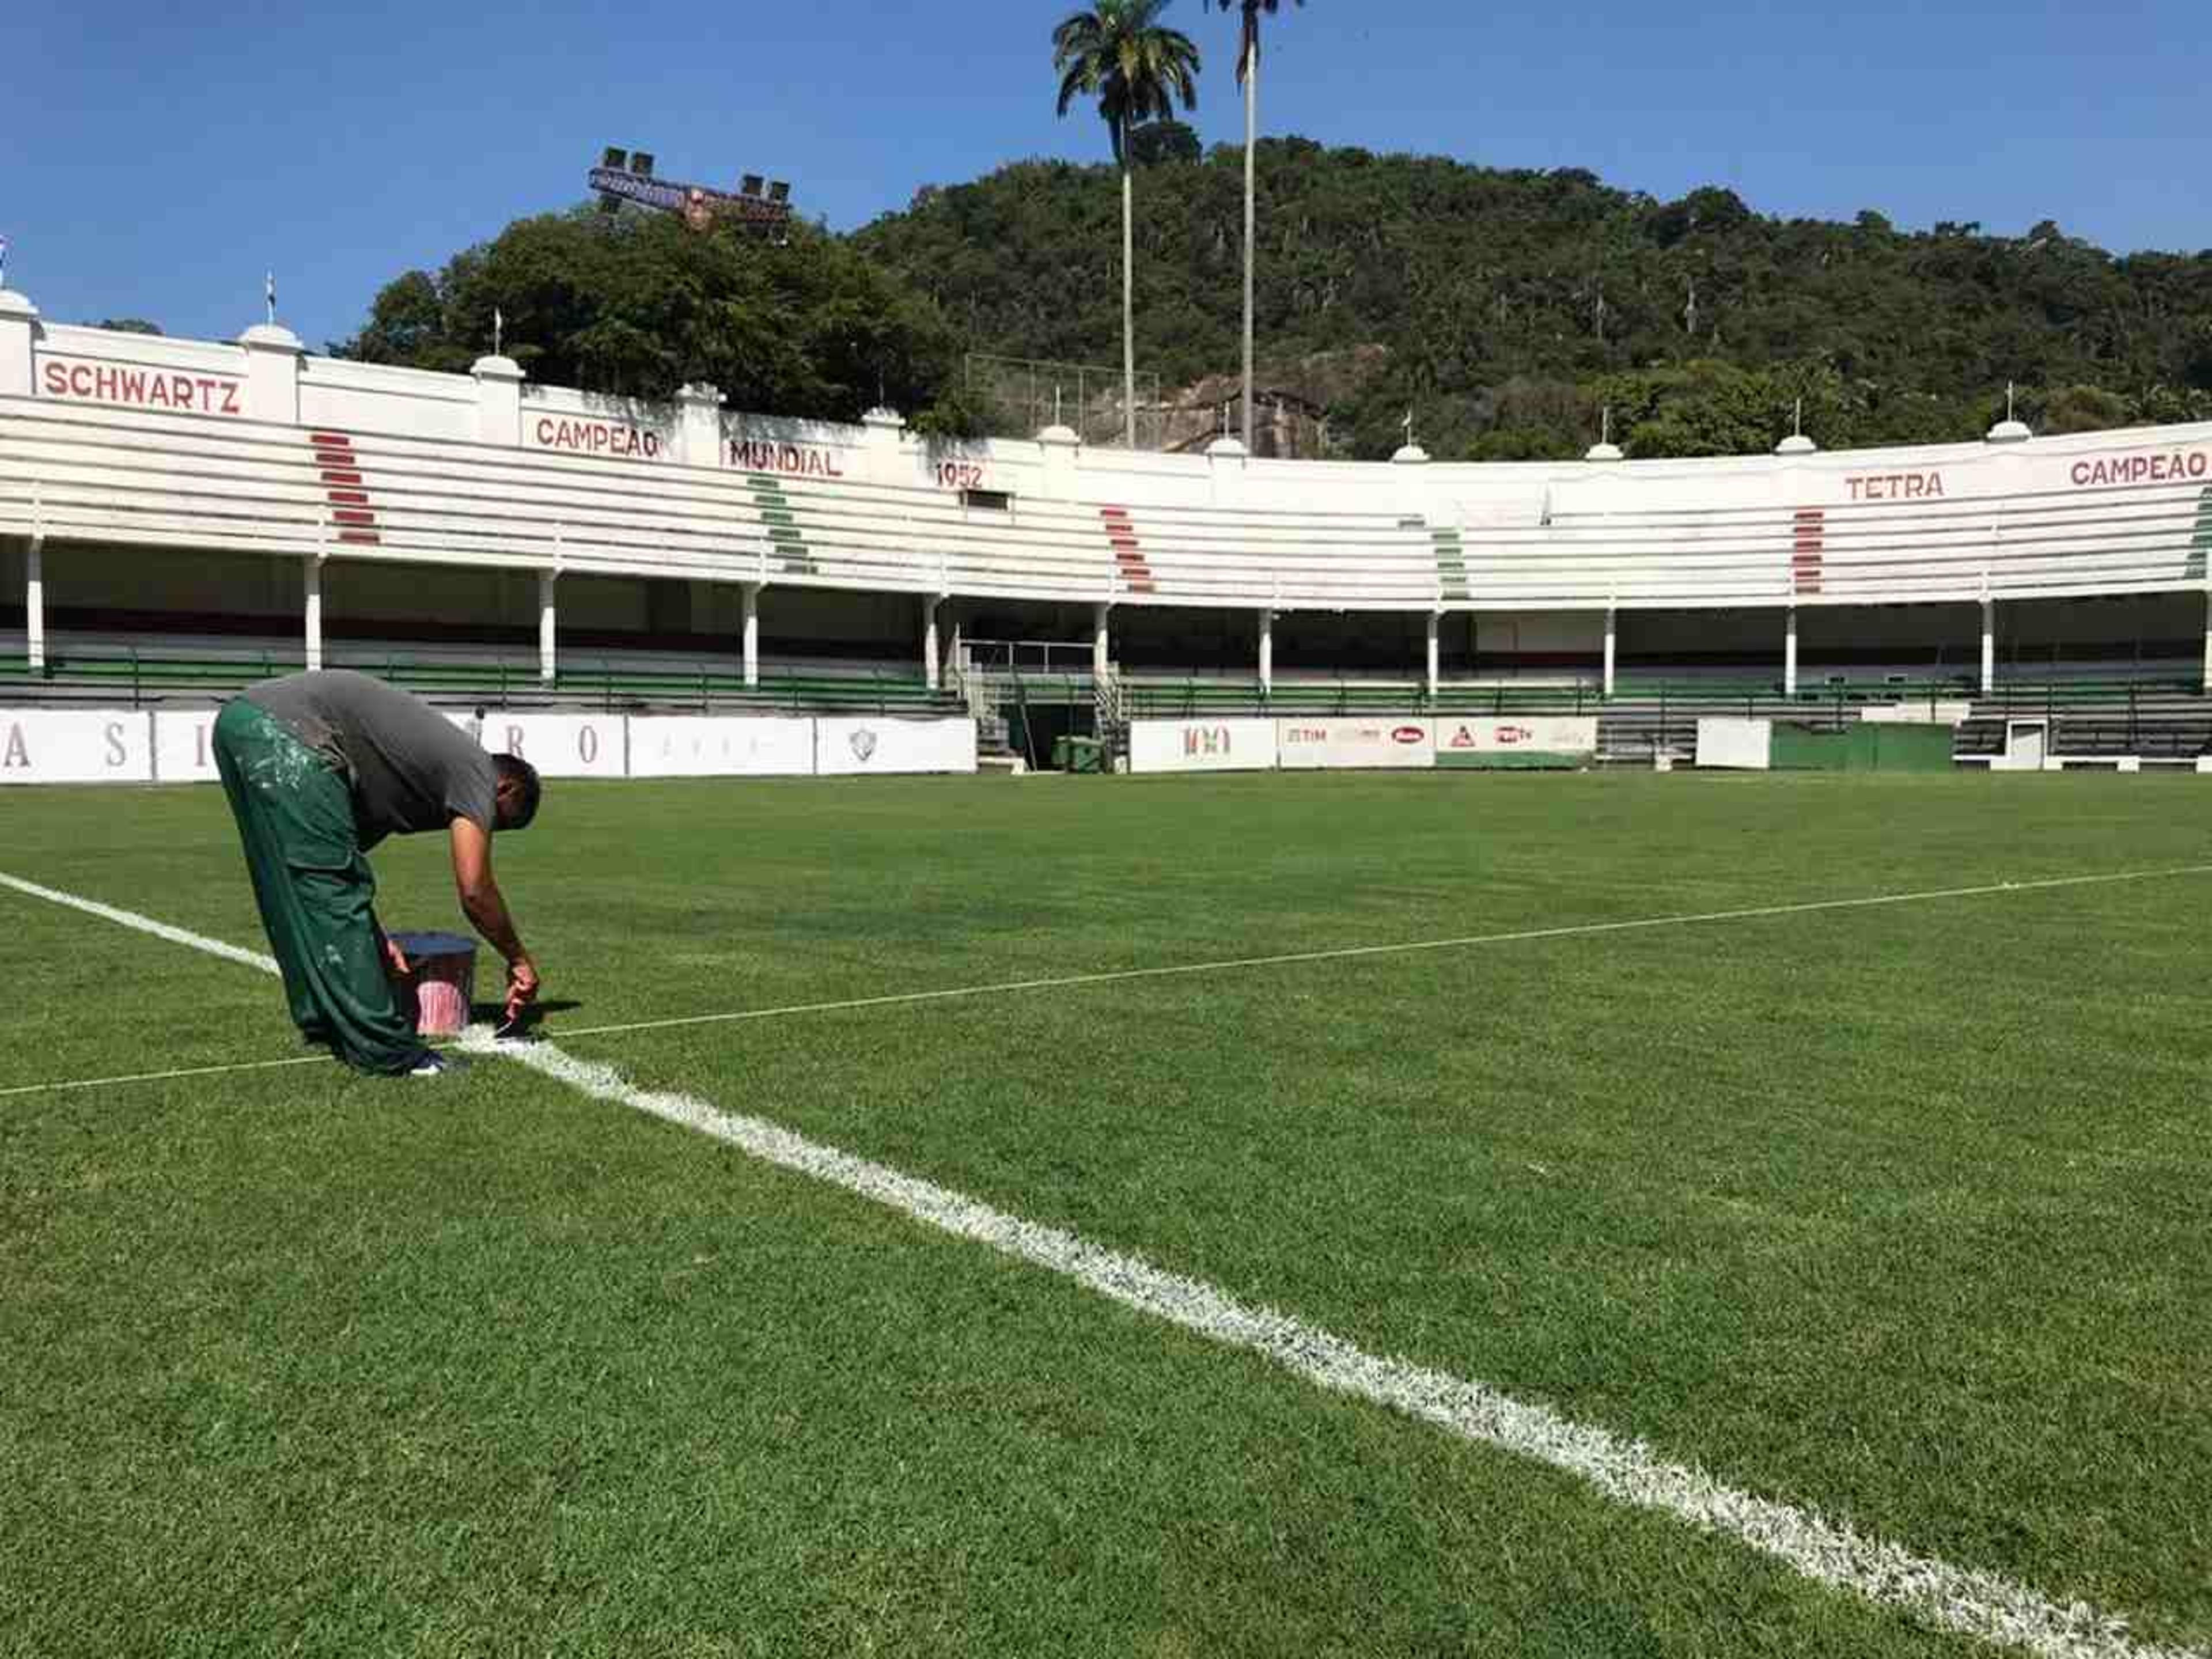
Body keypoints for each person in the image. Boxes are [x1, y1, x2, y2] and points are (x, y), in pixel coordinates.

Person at [210, 669, 542, 1076]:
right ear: (503, 791)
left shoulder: (399, 790)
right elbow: (474, 889)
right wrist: (518, 959)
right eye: (496, 822)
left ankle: (322, 1020)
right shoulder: (476, 769)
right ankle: (388, 1052)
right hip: (291, 728)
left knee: (290, 885)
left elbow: (335, 865)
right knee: (322, 887)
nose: (484, 828)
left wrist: (375, 935)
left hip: (240, 723)